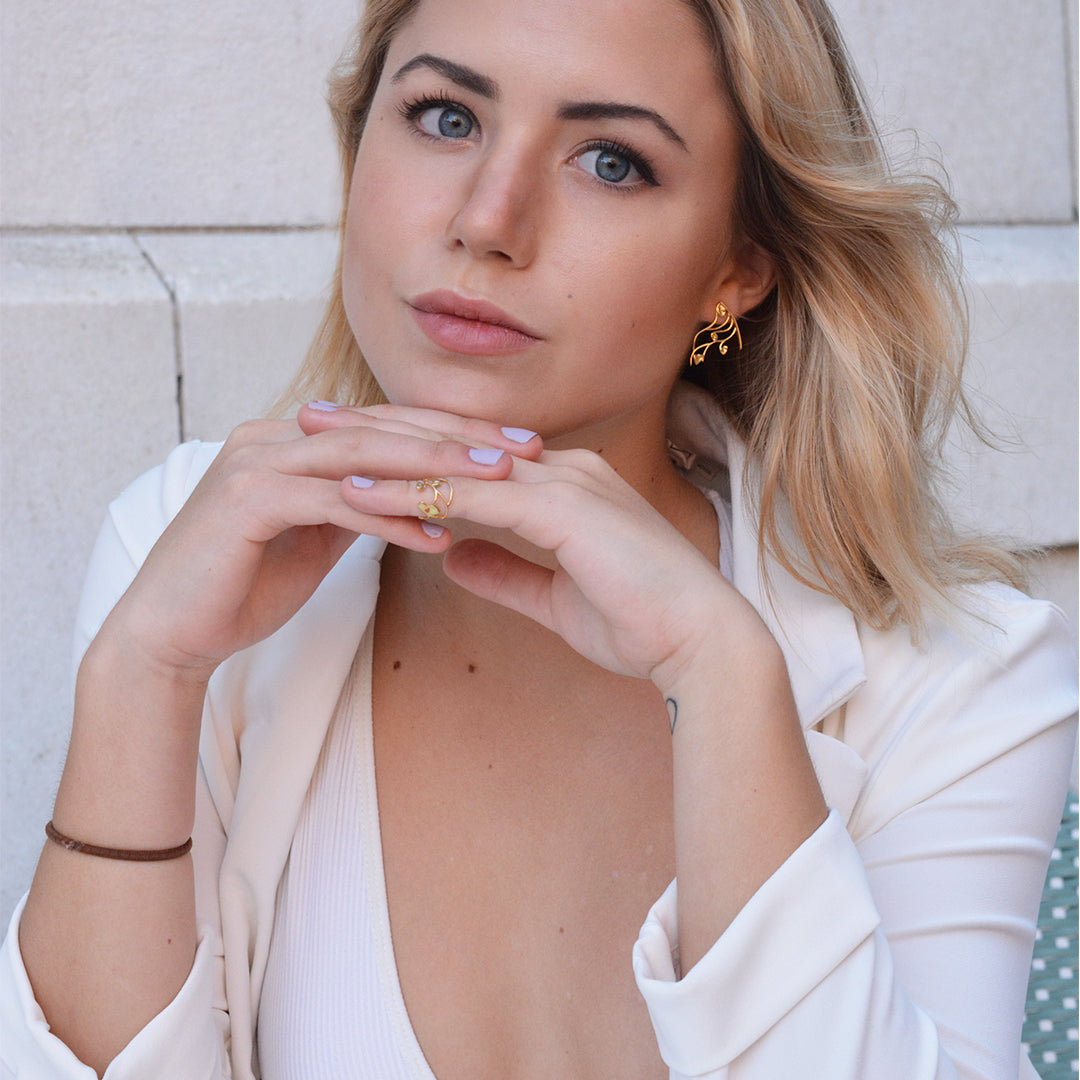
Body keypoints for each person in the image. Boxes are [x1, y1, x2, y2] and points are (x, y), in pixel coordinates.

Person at [1, 0, 1075, 1076]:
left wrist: (723, 676)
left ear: (737, 270)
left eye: (611, 160)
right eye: (446, 118)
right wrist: (141, 675)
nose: (488, 219)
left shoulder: (961, 676)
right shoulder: (194, 545)